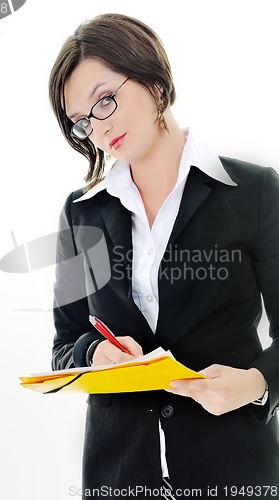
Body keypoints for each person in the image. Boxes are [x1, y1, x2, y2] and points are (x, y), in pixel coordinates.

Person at [48, 12, 279, 500]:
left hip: (234, 470)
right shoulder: (81, 213)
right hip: (118, 477)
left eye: (105, 100)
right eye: (83, 122)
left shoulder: (254, 192)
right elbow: (66, 342)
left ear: (153, 80)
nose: (98, 128)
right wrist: (95, 353)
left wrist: (257, 383)